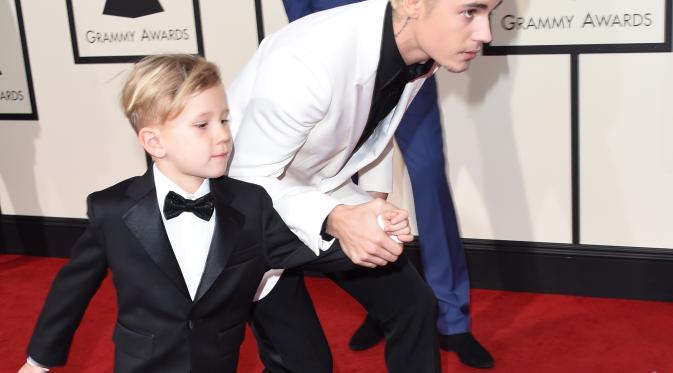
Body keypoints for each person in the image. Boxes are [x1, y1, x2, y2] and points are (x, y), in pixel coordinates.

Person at [17, 54, 336, 373]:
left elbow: (310, 251)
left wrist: (375, 231)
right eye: (202, 125)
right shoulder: (112, 210)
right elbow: (72, 291)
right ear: (154, 142)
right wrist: (37, 362)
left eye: (224, 119)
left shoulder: (250, 203)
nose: (223, 134)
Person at [228, 0, 500, 371]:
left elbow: (376, 124)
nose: (486, 34)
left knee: (413, 304)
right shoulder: (308, 60)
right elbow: (247, 182)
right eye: (471, 11)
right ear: (413, 4)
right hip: (248, 214)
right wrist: (337, 217)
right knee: (305, 365)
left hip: (319, 189)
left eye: (491, 14)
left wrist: (373, 200)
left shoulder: (420, 52)